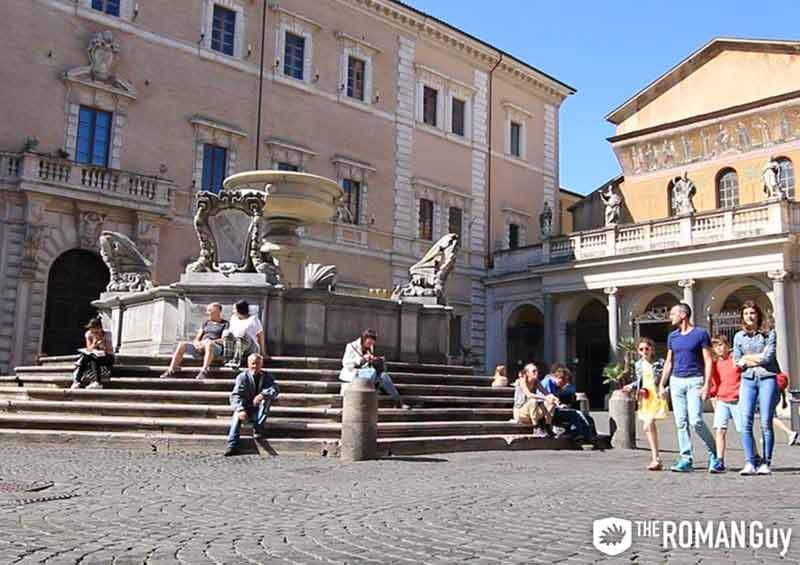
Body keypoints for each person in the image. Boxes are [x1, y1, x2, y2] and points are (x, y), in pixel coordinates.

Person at [658, 303, 719, 473]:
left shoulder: (700, 334)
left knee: (696, 420)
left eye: (672, 313)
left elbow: (708, 360)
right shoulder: (672, 336)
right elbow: (669, 361)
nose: (670, 317)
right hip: (676, 381)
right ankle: (686, 458)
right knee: (680, 422)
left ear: (683, 315)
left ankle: (714, 453)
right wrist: (662, 384)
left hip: (695, 380)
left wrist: (707, 384)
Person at [734, 300, 780, 475]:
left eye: (752, 313)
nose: (749, 316)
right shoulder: (739, 336)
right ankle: (750, 461)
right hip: (747, 380)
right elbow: (737, 361)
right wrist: (749, 359)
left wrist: (748, 359)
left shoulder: (769, 334)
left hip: (767, 378)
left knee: (766, 421)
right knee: (746, 421)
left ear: (758, 314)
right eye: (746, 314)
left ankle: (765, 462)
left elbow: (767, 358)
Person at [623, 337, 668, 470]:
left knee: (647, 426)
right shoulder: (638, 365)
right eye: (641, 349)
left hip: (657, 397)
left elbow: (667, 379)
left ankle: (656, 458)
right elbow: (639, 381)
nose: (644, 351)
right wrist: (630, 387)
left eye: (647, 349)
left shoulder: (660, 363)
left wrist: (665, 390)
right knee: (648, 427)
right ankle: (656, 458)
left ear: (652, 349)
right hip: (645, 398)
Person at [224, 353, 279, 456]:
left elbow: (275, 389)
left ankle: (258, 428)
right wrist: (240, 409)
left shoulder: (267, 376)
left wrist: (263, 394)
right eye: (253, 364)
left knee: (266, 401)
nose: (255, 366)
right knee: (236, 416)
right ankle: (232, 445)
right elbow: (235, 395)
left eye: (258, 364)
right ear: (248, 364)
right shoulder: (242, 377)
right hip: (245, 407)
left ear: (261, 364)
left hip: (258, 408)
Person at [339, 329, 408, 409]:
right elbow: (346, 363)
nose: (370, 345)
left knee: (384, 376)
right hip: (353, 373)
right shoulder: (351, 346)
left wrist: (373, 359)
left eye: (372, 343)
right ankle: (368, 397)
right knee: (372, 372)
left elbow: (368, 365)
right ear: (364, 339)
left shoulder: (370, 348)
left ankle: (399, 401)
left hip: (368, 374)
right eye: (369, 343)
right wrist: (361, 360)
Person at [160, 303, 228, 379]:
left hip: (215, 347)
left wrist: (210, 342)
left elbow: (223, 339)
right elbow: (197, 337)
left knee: (209, 344)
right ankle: (171, 370)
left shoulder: (225, 324)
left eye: (209, 310)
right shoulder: (206, 323)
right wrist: (197, 343)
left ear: (217, 311)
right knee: (182, 344)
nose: (207, 313)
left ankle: (204, 371)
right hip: (202, 346)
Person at [707, 335, 743, 474]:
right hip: (722, 400)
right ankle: (720, 461)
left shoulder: (736, 359)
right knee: (720, 430)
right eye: (716, 346)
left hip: (737, 399)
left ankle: (754, 456)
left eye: (721, 345)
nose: (719, 349)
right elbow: (715, 383)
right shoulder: (716, 363)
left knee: (743, 430)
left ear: (727, 345)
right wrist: (712, 396)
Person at [539, 366, 598, 444]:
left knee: (585, 417)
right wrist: (560, 406)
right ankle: (580, 436)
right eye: (564, 381)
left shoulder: (555, 385)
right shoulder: (547, 382)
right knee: (576, 414)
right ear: (559, 378)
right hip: (546, 412)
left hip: (553, 410)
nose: (565, 384)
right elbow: (548, 399)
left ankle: (585, 436)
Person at [71, 317, 114, 389]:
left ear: (100, 328)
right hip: (93, 356)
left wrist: (103, 345)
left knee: (93, 358)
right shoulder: (88, 334)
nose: (93, 333)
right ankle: (77, 381)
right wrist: (95, 343)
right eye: (92, 331)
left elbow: (110, 351)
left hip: (107, 357)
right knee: (86, 356)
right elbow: (88, 348)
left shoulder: (107, 334)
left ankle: (97, 382)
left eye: (96, 331)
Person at [512, 363, 554, 433]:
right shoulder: (522, 381)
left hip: (533, 412)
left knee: (551, 402)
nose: (536, 373)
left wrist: (554, 398)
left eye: (537, 371)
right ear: (527, 373)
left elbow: (547, 393)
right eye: (534, 371)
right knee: (533, 400)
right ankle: (536, 427)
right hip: (521, 412)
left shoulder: (536, 382)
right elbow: (529, 395)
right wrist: (545, 398)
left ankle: (547, 425)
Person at [223, 300, 265, 369]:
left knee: (242, 334)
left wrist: (263, 352)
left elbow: (260, 335)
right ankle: (227, 359)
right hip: (236, 345)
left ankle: (236, 361)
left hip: (250, 346)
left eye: (234, 309)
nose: (233, 311)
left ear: (240, 309)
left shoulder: (253, 319)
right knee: (226, 333)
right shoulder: (233, 318)